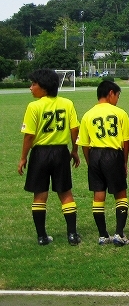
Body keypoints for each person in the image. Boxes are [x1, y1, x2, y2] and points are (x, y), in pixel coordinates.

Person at [18, 69, 81, 246]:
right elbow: (75, 130)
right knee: (66, 193)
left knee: (40, 195)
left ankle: (42, 237)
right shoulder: (67, 103)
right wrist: (74, 150)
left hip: (40, 153)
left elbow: (29, 136)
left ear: (44, 87)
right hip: (61, 152)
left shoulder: (34, 106)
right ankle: (72, 235)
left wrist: (23, 157)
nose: (30, 88)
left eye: (33, 84)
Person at [77, 80, 129, 246]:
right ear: (111, 93)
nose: (117, 99)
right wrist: (124, 163)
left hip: (95, 154)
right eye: (117, 95)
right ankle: (118, 234)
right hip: (113, 154)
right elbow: (126, 141)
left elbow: (84, 144)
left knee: (98, 194)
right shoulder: (119, 113)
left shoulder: (88, 115)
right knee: (120, 194)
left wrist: (91, 162)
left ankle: (103, 235)